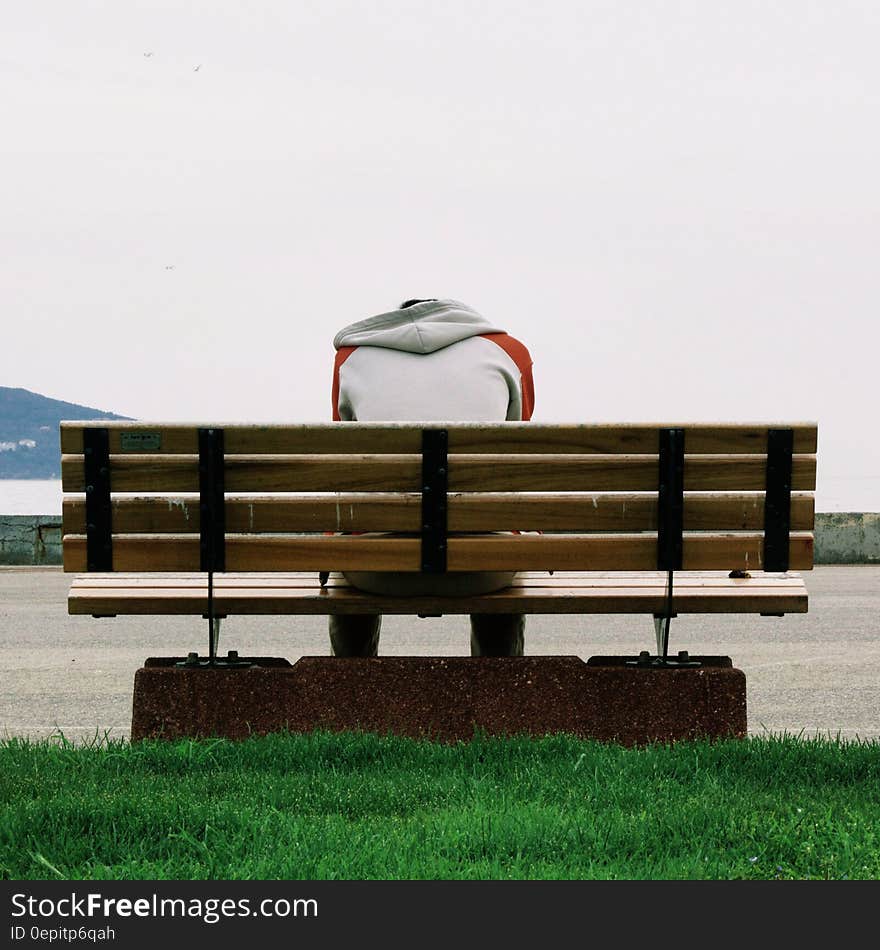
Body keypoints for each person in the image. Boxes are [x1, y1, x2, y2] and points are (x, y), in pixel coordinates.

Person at [328, 297, 535, 658]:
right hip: (485, 571)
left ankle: (351, 691)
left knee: (352, 540)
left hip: (375, 571)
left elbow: (348, 464)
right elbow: (514, 458)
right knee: (501, 535)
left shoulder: (351, 360)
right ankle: (501, 692)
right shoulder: (509, 352)